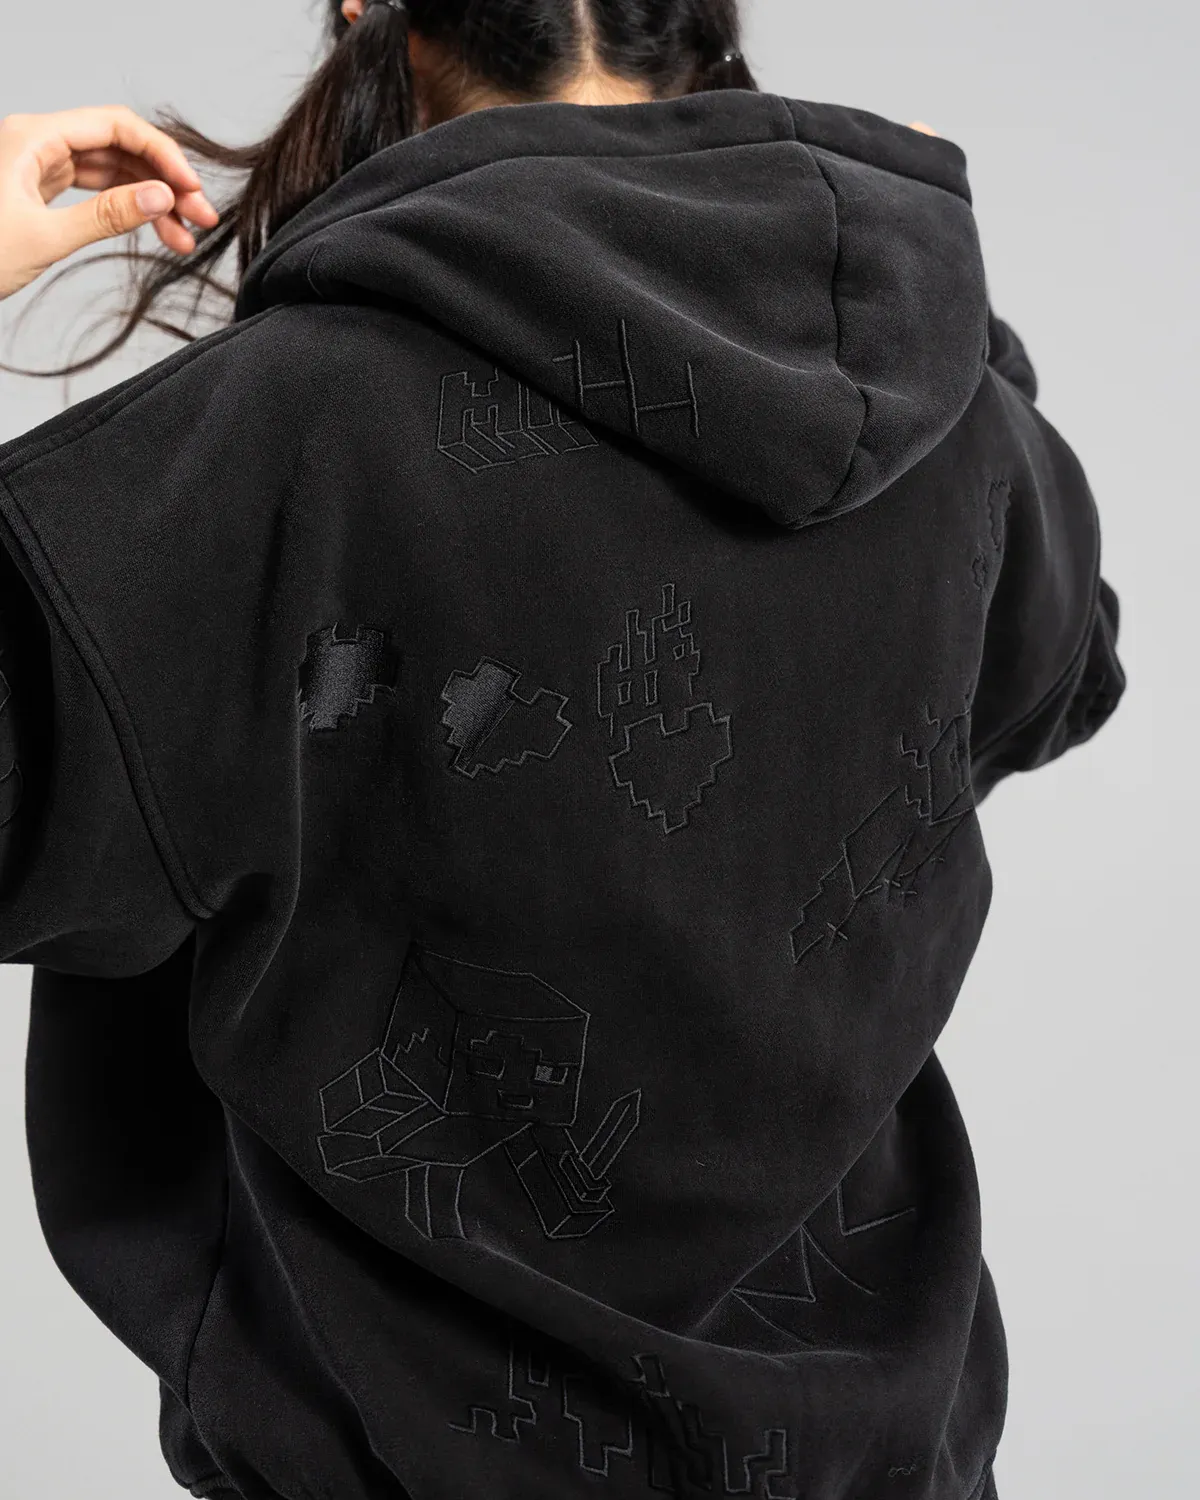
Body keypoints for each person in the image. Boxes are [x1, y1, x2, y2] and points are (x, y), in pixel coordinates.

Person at [0, 3, 1125, 1498]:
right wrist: (941, 320)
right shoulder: (962, 430)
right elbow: (1063, 672)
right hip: (893, 1460)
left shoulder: (286, 433)